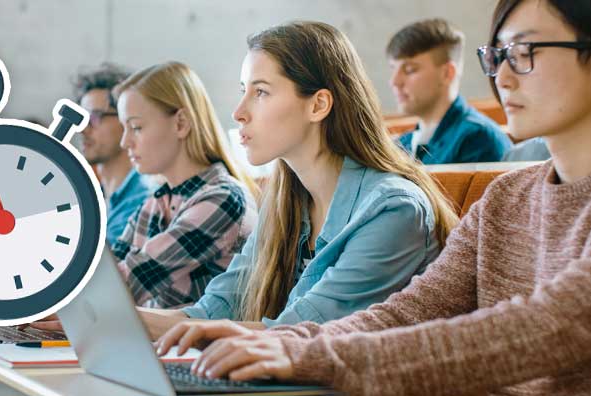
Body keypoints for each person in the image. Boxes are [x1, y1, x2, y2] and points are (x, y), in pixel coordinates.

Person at [157, 2, 591, 395]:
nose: (504, 77)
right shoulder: (504, 201)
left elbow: (558, 323)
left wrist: (308, 354)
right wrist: (285, 344)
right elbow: (406, 314)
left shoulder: (393, 204)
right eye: (497, 57)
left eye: (524, 52)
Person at [114, 21, 459, 341]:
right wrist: (116, 318)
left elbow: (301, 335)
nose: (238, 112)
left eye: (260, 92)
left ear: (318, 105)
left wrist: (157, 326)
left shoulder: (394, 210)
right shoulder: (284, 203)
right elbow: (212, 311)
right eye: (243, 90)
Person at [389, 18, 513, 164]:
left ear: (447, 73)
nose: (395, 82)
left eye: (410, 70)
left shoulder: (476, 140)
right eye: (393, 69)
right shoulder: (403, 144)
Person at [73, 63, 153, 246]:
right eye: (82, 118)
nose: (83, 129)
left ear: (127, 120)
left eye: (95, 117)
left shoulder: (143, 202)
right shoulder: (92, 199)